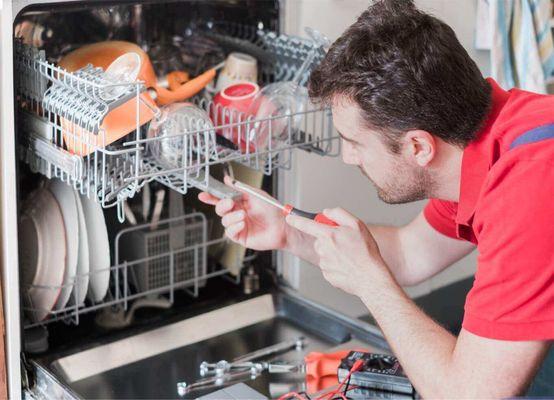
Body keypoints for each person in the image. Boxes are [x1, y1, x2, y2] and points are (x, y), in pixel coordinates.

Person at [199, 0, 554, 397]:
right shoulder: (485, 138)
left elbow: (470, 393)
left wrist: (373, 286)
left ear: (419, 147)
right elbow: (409, 252)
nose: (348, 157)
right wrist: (288, 231)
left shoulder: (529, 187)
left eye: (354, 142)